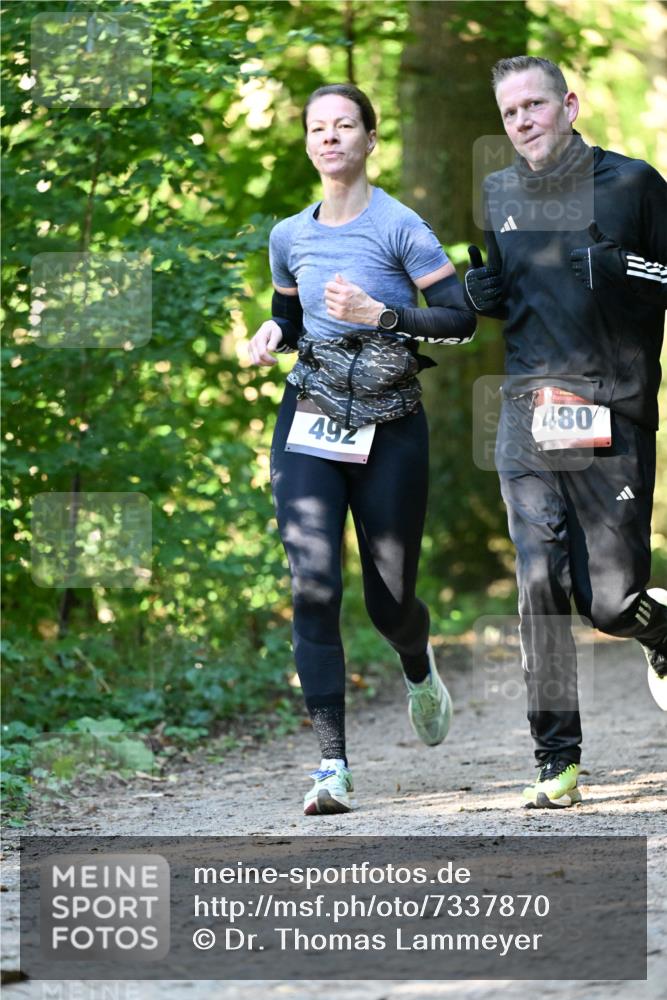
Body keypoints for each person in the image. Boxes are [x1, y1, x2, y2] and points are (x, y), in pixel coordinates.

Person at [248, 83, 476, 815]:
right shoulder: (290, 234)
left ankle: (417, 662)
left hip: (389, 422)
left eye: (345, 125)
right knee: (311, 584)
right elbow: (288, 311)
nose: (330, 137)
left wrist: (383, 314)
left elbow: (459, 319)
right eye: (318, 127)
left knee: (390, 597)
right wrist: (271, 333)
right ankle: (331, 766)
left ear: (370, 139)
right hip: (311, 413)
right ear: (307, 142)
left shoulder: (401, 226)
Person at [464, 55, 667, 808]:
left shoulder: (633, 184)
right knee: (538, 577)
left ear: (569, 105)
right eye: (509, 112)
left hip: (612, 411)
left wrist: (626, 269)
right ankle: (555, 760)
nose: (521, 122)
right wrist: (478, 296)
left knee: (609, 603)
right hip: (526, 412)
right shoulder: (496, 193)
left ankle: (656, 627)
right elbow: (505, 295)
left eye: (533, 106)